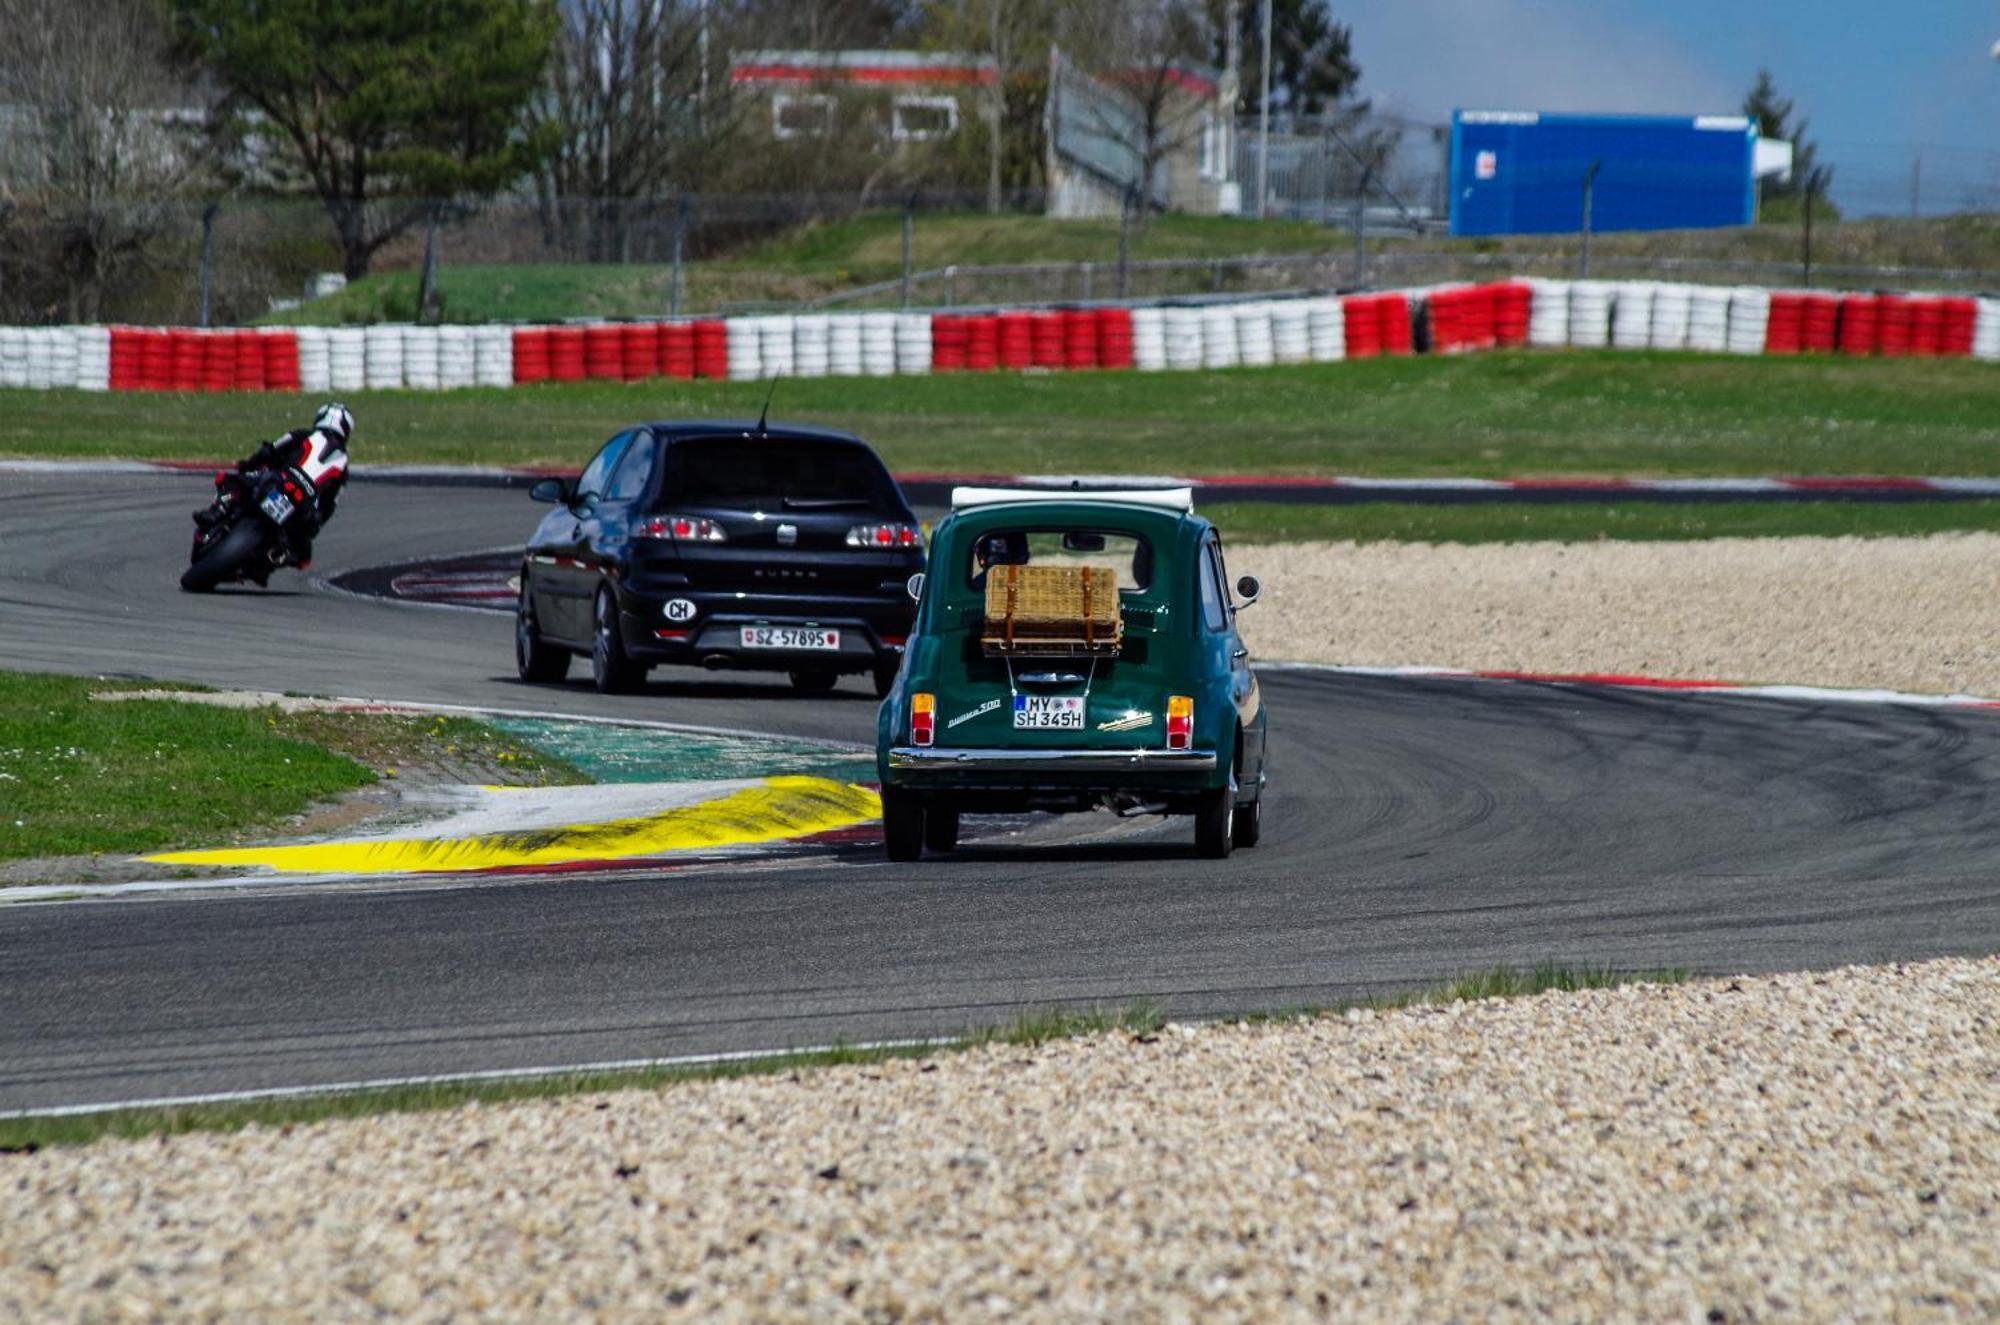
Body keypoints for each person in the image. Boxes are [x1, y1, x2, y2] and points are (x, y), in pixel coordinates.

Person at [194, 402, 353, 572]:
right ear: (346, 430)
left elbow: (271, 450)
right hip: (304, 506)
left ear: (319, 419)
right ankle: (273, 558)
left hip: (280, 480)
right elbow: (330, 504)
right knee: (302, 556)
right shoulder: (343, 465)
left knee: (232, 481)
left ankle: (216, 511)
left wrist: (247, 465)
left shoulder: (303, 435)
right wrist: (315, 524)